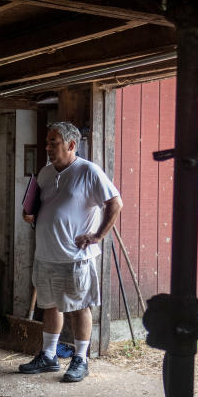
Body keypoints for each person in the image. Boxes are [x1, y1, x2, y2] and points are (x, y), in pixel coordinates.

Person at [19, 121, 122, 382]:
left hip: (75, 256)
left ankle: (80, 359)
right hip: (45, 254)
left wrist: (98, 235)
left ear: (71, 145)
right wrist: (31, 215)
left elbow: (115, 203)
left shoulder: (89, 172)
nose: (48, 147)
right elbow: (41, 206)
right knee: (50, 305)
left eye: (54, 143)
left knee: (79, 307)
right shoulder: (44, 173)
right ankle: (49, 356)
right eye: (47, 142)